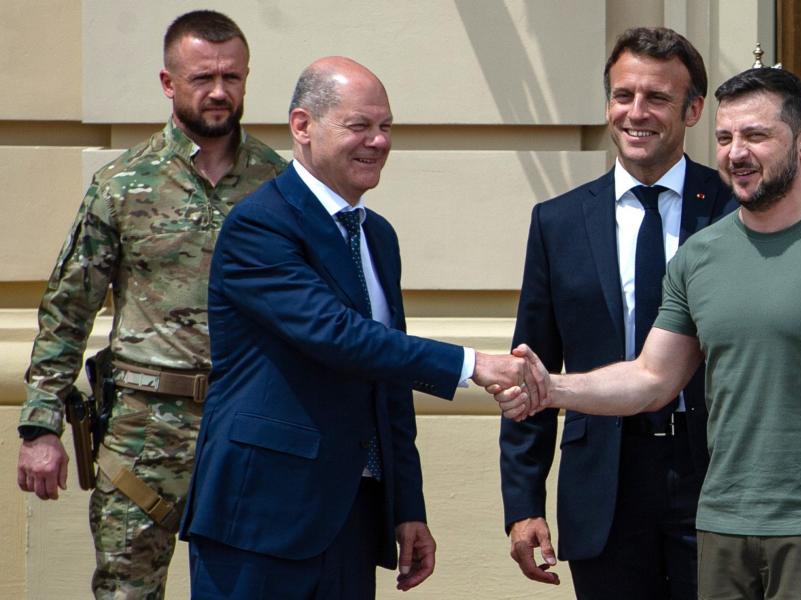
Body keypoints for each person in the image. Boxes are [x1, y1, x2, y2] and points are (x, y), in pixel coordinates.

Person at [499, 27, 801, 599]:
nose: (737, 152)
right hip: (673, 509)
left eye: (756, 135)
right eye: (726, 137)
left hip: (784, 507)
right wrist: (547, 401)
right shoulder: (659, 244)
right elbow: (647, 374)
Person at [179, 56, 537, 600]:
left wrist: (406, 508)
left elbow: (385, 382)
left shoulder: (377, 236)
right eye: (359, 126)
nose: (378, 141)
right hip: (262, 517)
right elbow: (336, 335)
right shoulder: (260, 224)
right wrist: (472, 364)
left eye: (386, 126)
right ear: (302, 126)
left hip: (350, 516)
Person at [15, 10, 288, 598]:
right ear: (168, 83)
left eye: (232, 78)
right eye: (202, 78)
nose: (219, 92)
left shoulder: (280, 183)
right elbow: (68, 308)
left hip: (248, 426)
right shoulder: (122, 184)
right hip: (143, 434)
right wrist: (41, 426)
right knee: (126, 591)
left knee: (255, 589)